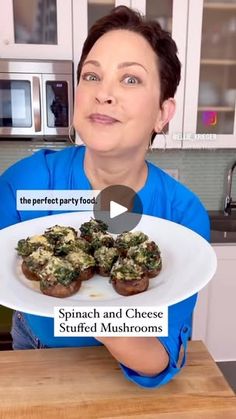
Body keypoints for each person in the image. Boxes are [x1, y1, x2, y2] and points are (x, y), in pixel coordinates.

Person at [0, 6, 209, 389]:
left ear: (163, 113)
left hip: (124, 375)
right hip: (35, 353)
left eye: (130, 79)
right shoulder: (24, 182)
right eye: (91, 76)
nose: (104, 93)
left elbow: (159, 360)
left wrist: (98, 301)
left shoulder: (183, 215)